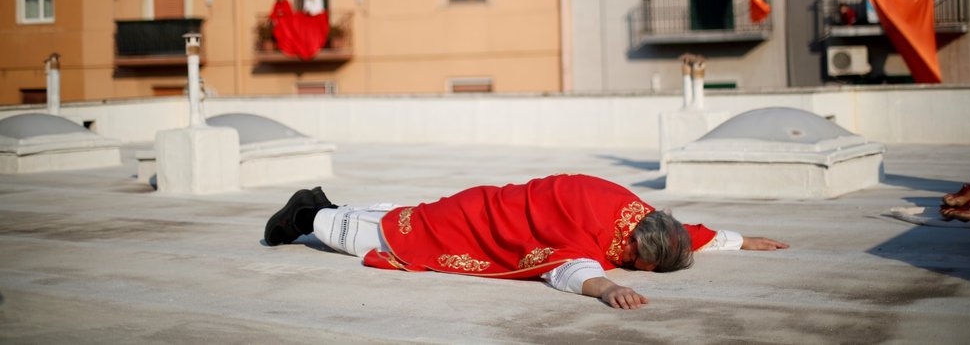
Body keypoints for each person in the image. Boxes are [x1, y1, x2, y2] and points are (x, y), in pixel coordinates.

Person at [264, 174, 789, 309]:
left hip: (484, 202)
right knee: (400, 236)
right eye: (638, 268)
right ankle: (308, 215)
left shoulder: (636, 212)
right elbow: (565, 267)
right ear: (632, 251)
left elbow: (685, 234)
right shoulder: (584, 234)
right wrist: (605, 289)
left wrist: (739, 241)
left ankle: (326, 203)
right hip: (478, 222)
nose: (635, 271)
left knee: (409, 217)